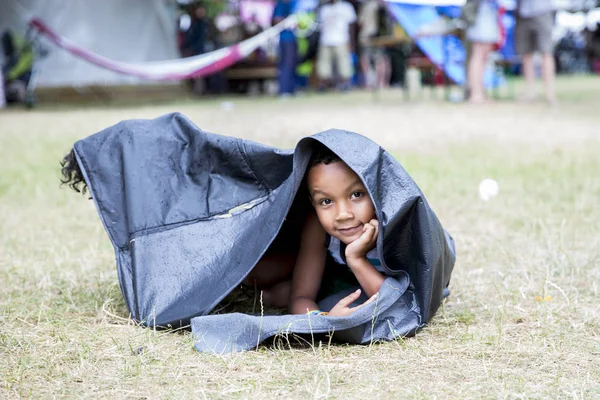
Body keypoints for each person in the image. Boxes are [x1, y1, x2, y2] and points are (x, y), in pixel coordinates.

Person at [243, 143, 382, 316]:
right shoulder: (317, 225)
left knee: (284, 292)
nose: (343, 214)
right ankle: (257, 294)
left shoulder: (394, 224)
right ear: (313, 203)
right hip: (335, 277)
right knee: (277, 291)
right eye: (326, 201)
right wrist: (324, 320)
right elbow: (301, 297)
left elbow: (395, 304)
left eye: (356, 194)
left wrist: (356, 258)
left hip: (364, 280)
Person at [515, 0, 556, 104]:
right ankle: (530, 93)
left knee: (546, 52)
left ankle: (550, 94)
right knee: (526, 53)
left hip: (542, 10)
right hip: (523, 12)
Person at [465, 0, 503, 104]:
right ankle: (475, 94)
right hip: (480, 14)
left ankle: (480, 92)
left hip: (488, 13)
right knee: (478, 55)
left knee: (483, 57)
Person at [317, 0, 357, 91]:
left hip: (341, 39)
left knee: (344, 65)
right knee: (324, 66)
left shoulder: (346, 7)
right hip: (325, 40)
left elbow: (352, 25)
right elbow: (320, 25)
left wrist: (351, 42)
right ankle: (324, 85)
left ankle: (345, 85)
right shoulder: (324, 8)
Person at [358, 0, 390, 89]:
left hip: (367, 35)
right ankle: (382, 84)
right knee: (380, 59)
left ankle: (369, 83)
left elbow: (361, 22)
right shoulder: (384, 5)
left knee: (366, 59)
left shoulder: (367, 6)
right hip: (380, 35)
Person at [273, 0, 298, 96]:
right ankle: (284, 90)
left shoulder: (293, 3)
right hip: (285, 39)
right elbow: (276, 19)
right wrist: (287, 22)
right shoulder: (280, 4)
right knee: (286, 65)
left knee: (292, 64)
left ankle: (291, 89)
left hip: (293, 39)